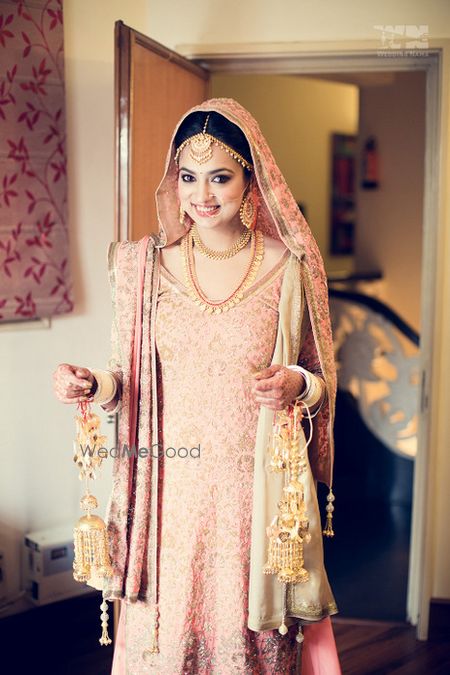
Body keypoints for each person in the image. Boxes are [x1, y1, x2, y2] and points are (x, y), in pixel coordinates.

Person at [53, 98, 342, 674]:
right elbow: (128, 380)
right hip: (166, 492)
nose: (202, 194)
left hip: (249, 492)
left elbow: (321, 381)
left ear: (250, 181)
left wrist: (295, 385)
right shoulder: (146, 267)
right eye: (188, 177)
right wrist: (93, 385)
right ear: (173, 181)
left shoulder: (289, 267)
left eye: (220, 177)